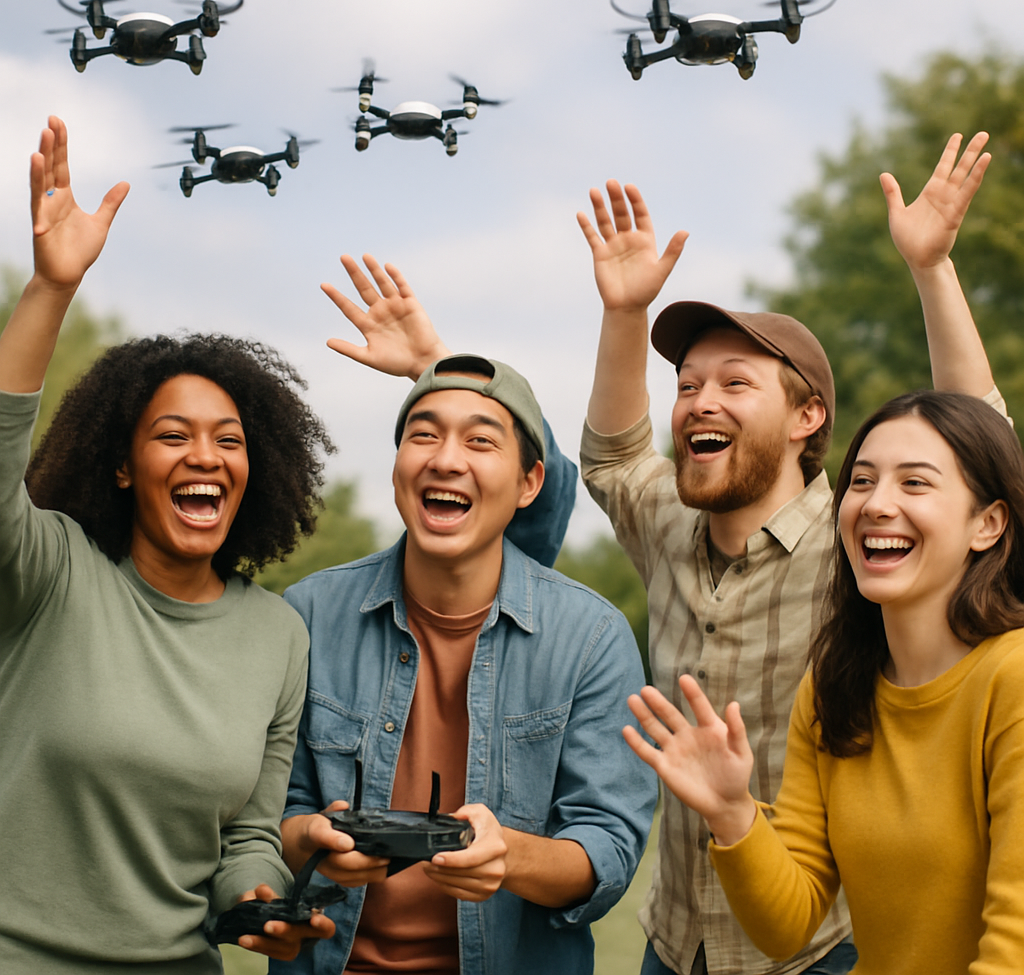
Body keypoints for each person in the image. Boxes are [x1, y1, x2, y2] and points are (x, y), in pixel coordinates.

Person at [576, 131, 1001, 975]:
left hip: (816, 946)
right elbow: (615, 458)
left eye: (737, 383)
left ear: (808, 418)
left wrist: (931, 268)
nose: (701, 399)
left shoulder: (862, 544)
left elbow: (979, 446)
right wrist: (624, 313)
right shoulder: (667, 522)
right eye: (690, 383)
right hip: (676, 938)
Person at [0, 117, 335, 972]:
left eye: (229, 440)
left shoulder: (278, 637)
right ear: (121, 467)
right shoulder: (52, 573)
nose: (204, 457)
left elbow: (249, 837)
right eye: (172, 436)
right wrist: (50, 288)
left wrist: (260, 902)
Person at [272, 335, 657, 974]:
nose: (446, 460)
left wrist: (509, 857)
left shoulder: (592, 637)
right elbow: (270, 813)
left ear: (530, 481)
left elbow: (607, 847)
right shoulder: (309, 614)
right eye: (423, 435)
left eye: (480, 441)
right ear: (397, 462)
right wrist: (307, 841)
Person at [624, 389, 1024, 974]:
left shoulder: (1009, 678)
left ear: (987, 523)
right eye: (861, 481)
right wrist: (732, 812)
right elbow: (787, 926)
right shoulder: (834, 683)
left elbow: (1013, 948)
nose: (876, 504)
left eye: (915, 483)